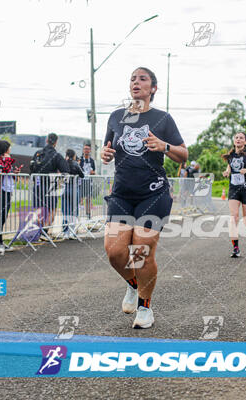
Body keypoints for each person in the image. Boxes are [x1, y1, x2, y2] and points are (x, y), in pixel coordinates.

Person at [101, 67, 188, 329]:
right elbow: (107, 148)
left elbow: (183, 154)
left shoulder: (163, 119)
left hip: (152, 193)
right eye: (132, 79)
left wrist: (165, 146)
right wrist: (105, 155)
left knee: (140, 253)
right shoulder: (116, 117)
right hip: (122, 194)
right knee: (115, 252)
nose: (136, 82)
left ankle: (145, 307)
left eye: (143, 79)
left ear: (153, 89)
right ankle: (133, 284)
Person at [30, 133, 69, 230]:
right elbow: (66, 170)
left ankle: (38, 230)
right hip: (51, 186)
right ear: (56, 142)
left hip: (38, 185)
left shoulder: (38, 153)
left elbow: (31, 169)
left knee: (39, 209)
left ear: (47, 140)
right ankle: (45, 230)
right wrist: (59, 184)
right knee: (52, 209)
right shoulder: (56, 155)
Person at [0, 140, 21, 250]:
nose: (10, 150)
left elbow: (9, 171)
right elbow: (5, 169)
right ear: (4, 149)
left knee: (2, 217)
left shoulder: (3, 158)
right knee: (0, 217)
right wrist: (8, 159)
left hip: (5, 191)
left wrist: (14, 172)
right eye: (9, 148)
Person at [62, 149, 84, 239]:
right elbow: (82, 175)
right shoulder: (75, 164)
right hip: (74, 188)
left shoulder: (63, 163)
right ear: (74, 156)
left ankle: (65, 232)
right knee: (74, 211)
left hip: (65, 188)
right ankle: (72, 231)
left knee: (65, 211)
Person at [78, 142, 96, 219]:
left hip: (89, 181)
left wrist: (93, 173)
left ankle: (88, 215)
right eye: (85, 149)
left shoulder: (92, 160)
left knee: (88, 198)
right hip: (81, 181)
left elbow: (94, 171)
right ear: (83, 150)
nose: (86, 150)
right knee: (79, 198)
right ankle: (78, 215)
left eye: (88, 149)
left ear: (90, 150)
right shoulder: (80, 159)